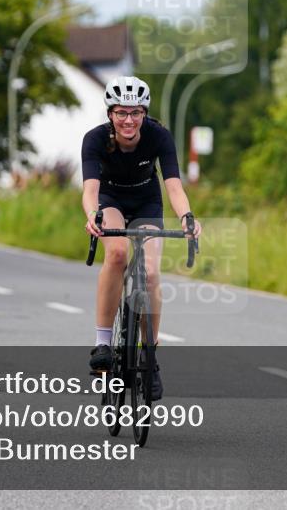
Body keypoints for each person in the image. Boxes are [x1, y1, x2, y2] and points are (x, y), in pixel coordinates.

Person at [81, 75, 201, 400]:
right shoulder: (94, 139)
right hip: (111, 201)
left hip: (146, 201)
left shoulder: (158, 136)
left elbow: (174, 185)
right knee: (118, 254)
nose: (129, 120)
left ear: (144, 113)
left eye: (135, 113)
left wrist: (187, 218)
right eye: (121, 113)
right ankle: (103, 345)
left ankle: (150, 355)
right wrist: (94, 216)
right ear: (110, 114)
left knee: (148, 272)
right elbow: (90, 190)